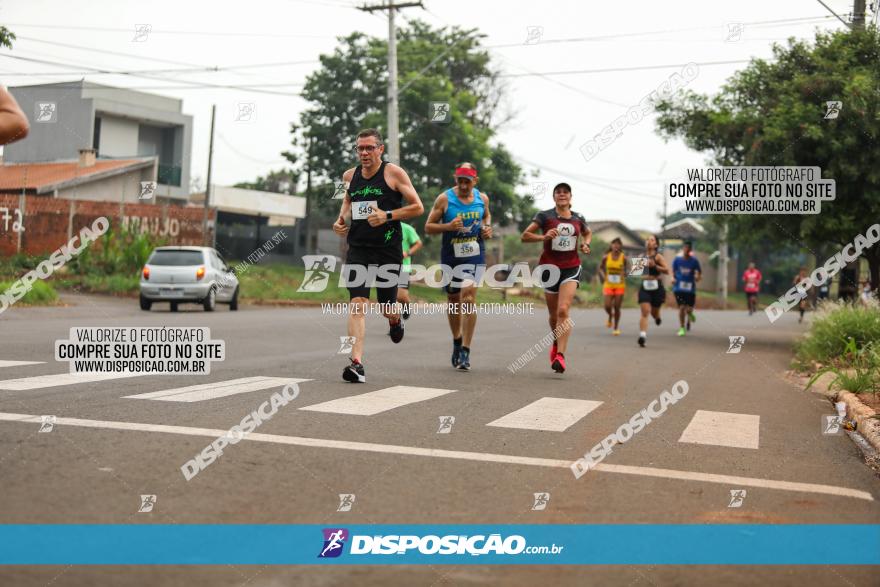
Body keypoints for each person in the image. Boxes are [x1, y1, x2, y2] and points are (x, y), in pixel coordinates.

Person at [332, 129, 424, 383]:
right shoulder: (349, 176)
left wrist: (387, 216)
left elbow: (418, 206)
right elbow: (348, 202)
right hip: (359, 249)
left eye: (369, 148)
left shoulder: (393, 173)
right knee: (357, 303)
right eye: (359, 148)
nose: (363, 153)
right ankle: (357, 363)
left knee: (386, 307)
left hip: (387, 251)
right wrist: (340, 221)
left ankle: (396, 321)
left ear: (380, 149)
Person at [425, 162, 492, 371]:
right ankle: (456, 339)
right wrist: (447, 226)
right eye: (460, 181)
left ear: (475, 181)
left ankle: (465, 350)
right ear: (456, 180)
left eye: (468, 182)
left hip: (475, 254)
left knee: (468, 295)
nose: (464, 186)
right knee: (453, 299)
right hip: (451, 255)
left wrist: (487, 227)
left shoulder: (482, 199)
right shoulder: (445, 199)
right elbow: (428, 227)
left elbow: (487, 216)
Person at [521, 182, 591, 373]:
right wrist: (543, 237)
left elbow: (587, 232)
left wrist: (586, 244)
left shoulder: (579, 218)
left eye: (565, 192)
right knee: (553, 316)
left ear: (570, 197)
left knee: (563, 310)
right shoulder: (545, 216)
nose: (562, 195)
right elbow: (525, 236)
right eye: (558, 192)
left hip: (571, 267)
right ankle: (555, 340)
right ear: (554, 197)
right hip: (549, 269)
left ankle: (560, 355)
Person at [636, 235, 670, 348]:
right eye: (647, 239)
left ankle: (657, 317)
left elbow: (666, 271)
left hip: (657, 288)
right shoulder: (641, 256)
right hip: (645, 287)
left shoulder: (658, 257)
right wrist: (639, 266)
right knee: (645, 311)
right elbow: (636, 273)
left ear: (656, 244)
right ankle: (642, 336)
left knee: (654, 313)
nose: (648, 242)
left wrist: (655, 266)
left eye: (651, 240)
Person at [671, 240, 701, 336]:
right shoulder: (677, 260)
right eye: (684, 248)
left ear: (690, 250)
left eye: (688, 248)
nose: (686, 250)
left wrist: (697, 277)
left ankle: (690, 314)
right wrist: (673, 278)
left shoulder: (694, 261)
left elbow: (699, 272)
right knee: (681, 307)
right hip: (678, 288)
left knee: (688, 309)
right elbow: (673, 272)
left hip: (690, 289)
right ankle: (682, 327)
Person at [598, 238, 626, 335]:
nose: (616, 246)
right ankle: (610, 316)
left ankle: (616, 327)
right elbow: (600, 268)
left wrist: (625, 273)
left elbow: (630, 268)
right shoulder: (606, 257)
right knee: (607, 306)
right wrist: (603, 276)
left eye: (618, 244)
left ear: (620, 246)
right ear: (611, 246)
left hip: (620, 285)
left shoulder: (623, 257)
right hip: (608, 284)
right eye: (614, 244)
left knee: (617, 306)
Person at [397, 221, 422, 320]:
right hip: (387, 265)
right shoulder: (382, 227)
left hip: (404, 266)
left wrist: (407, 253)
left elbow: (418, 243)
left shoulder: (406, 228)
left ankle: (406, 304)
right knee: (391, 299)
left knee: (401, 296)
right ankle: (395, 324)